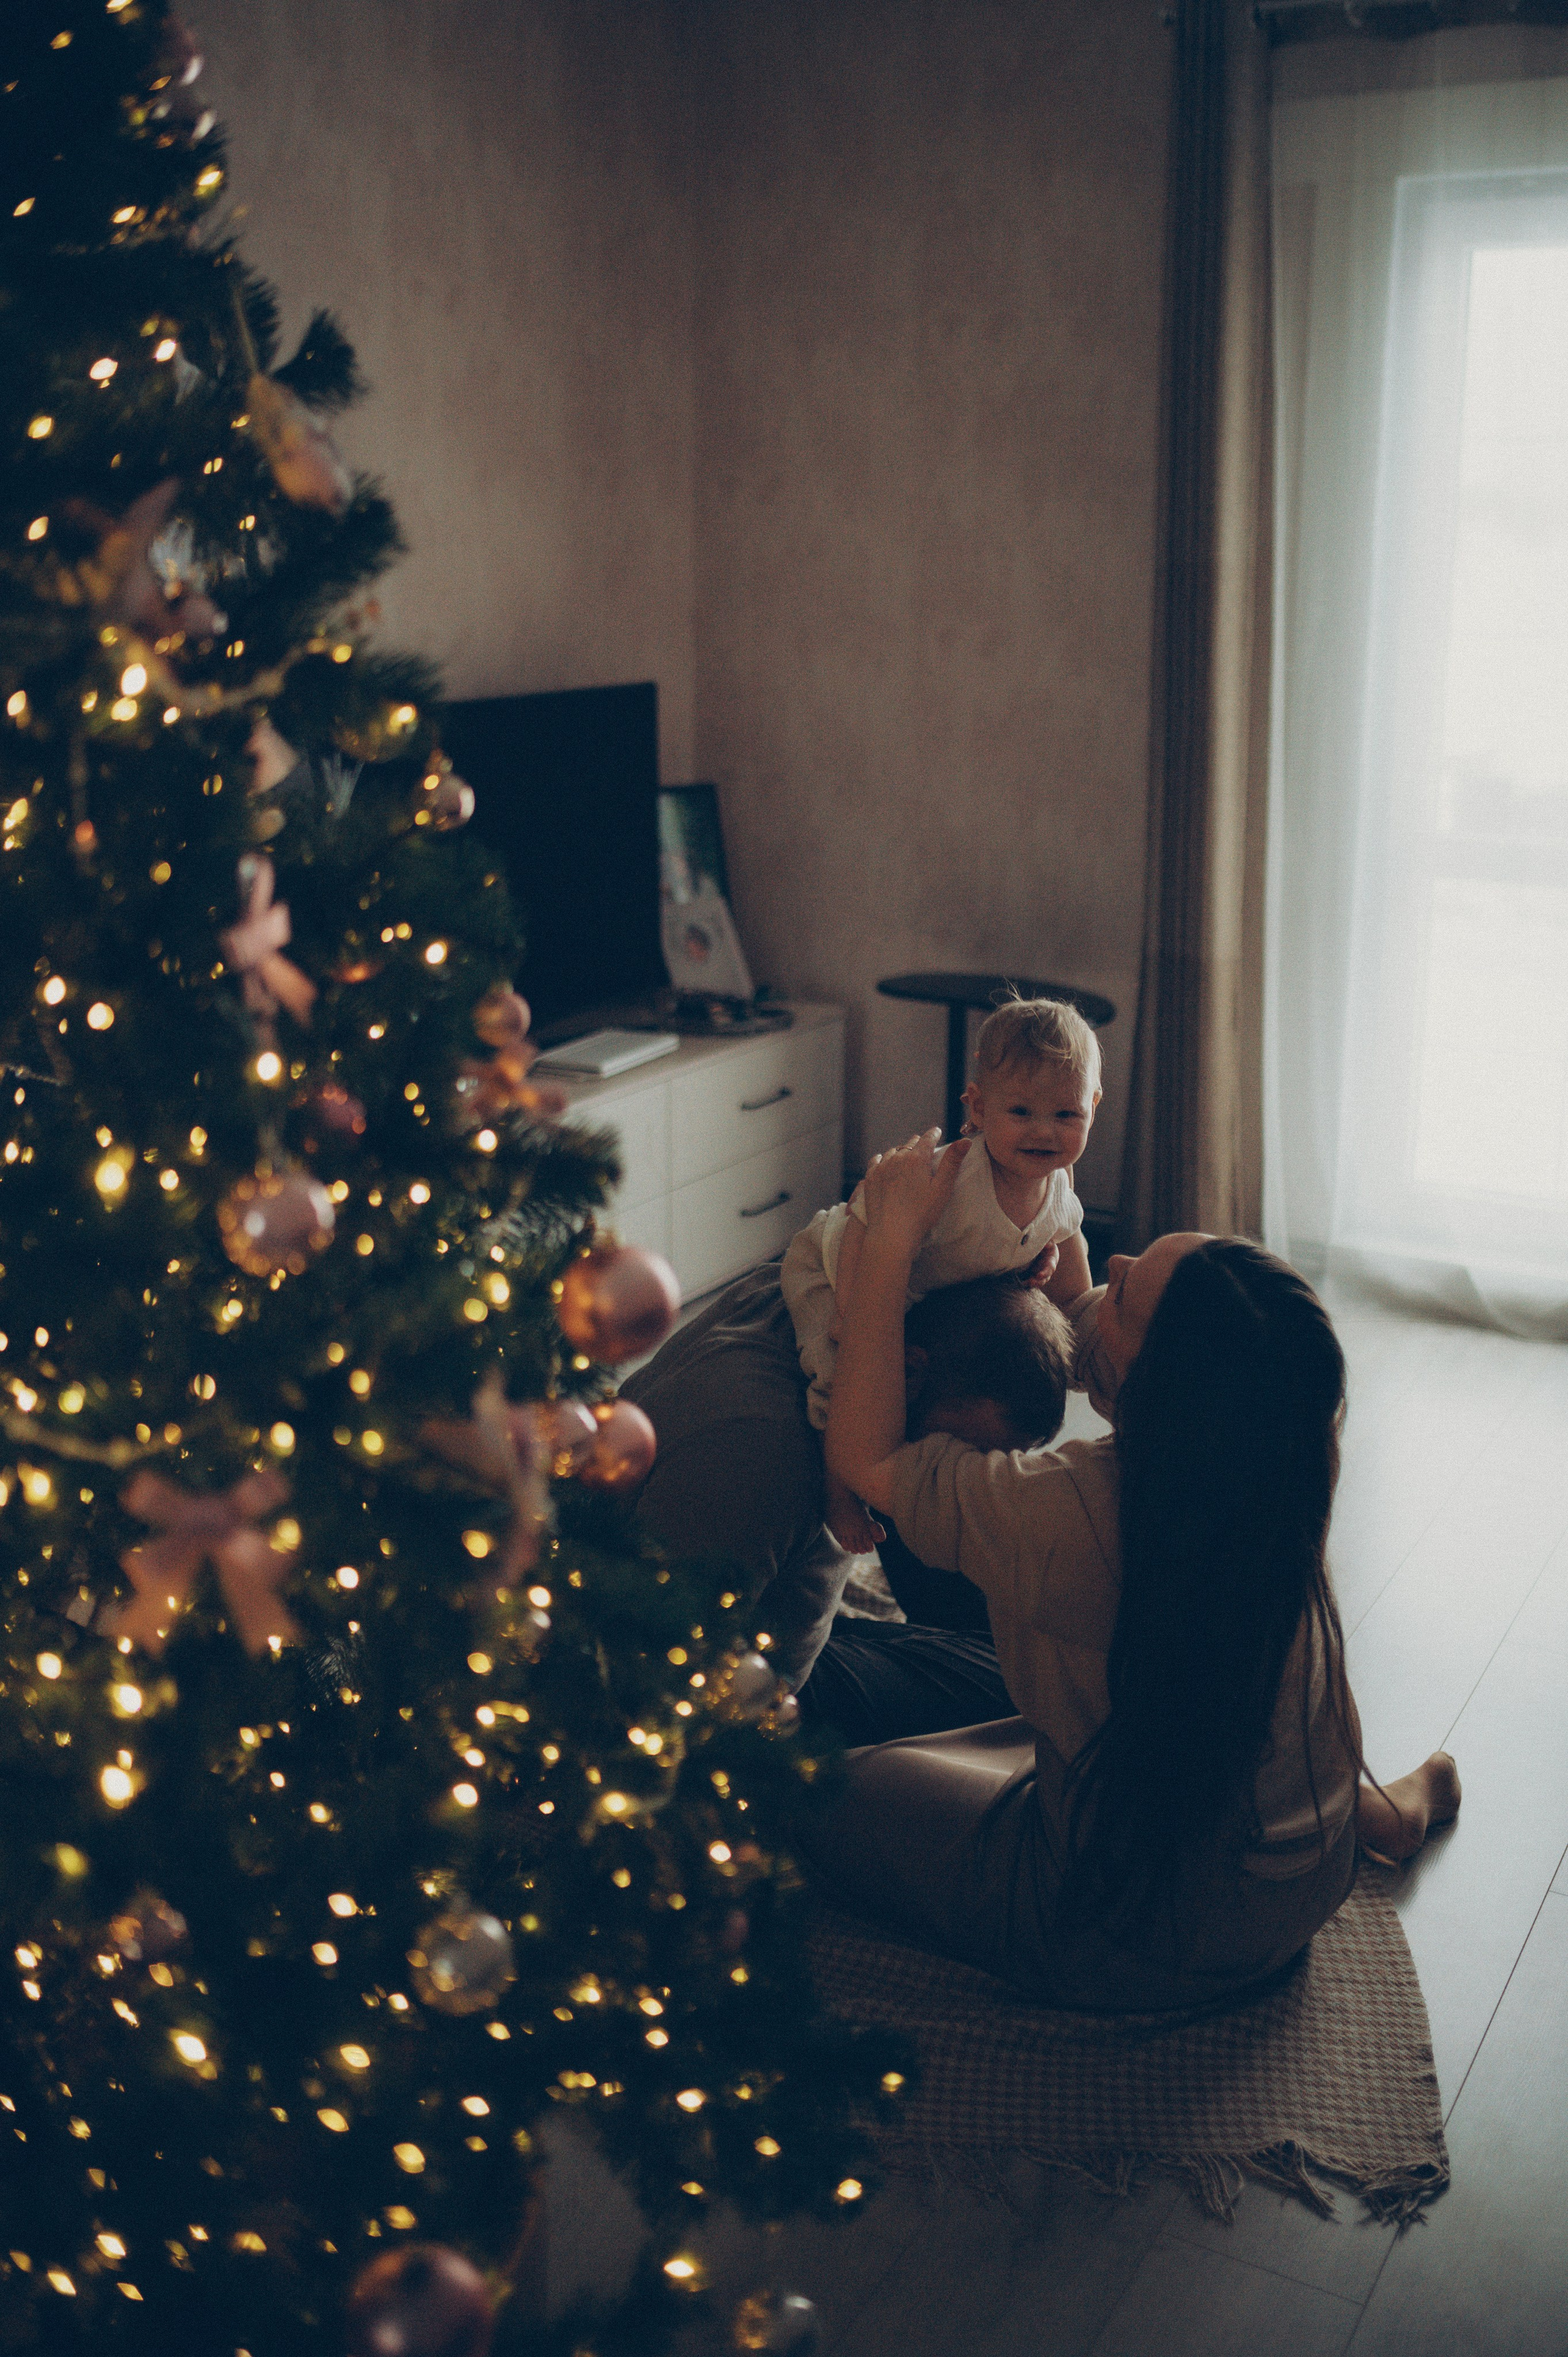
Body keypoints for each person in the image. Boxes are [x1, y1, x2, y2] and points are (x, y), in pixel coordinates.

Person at [812, 1131, 1461, 2012]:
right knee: (1172, 1702)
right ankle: (1381, 1812)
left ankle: (1375, 1812)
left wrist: (887, 1244)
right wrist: (1048, 1205)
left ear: (1155, 1390)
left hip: (1127, 1939)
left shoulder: (1067, 1513)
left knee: (832, 1790)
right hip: (1301, 1886)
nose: (1110, 1262)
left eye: (1127, 1290)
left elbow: (866, 1459)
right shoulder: (1280, 1447)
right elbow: (1088, 1319)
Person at [620, 1256, 1071, 1697]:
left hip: (760, 1603)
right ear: (910, 1370)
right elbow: (653, 1673)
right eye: (967, 1451)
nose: (965, 1471)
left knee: (1005, 1643)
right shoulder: (761, 1464)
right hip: (748, 1696)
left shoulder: (808, 1291)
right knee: (1013, 1684)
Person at [781, 997, 1102, 1550]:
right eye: (1020, 1113)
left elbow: (1070, 1264)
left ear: (1093, 1106)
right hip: (831, 1263)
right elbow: (864, 1214)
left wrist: (1066, 1309)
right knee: (842, 1374)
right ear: (977, 1108)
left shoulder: (1058, 1185)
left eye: (1066, 1115)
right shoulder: (951, 1178)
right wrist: (852, 1311)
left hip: (923, 1288)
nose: (1043, 1132)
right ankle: (838, 1493)